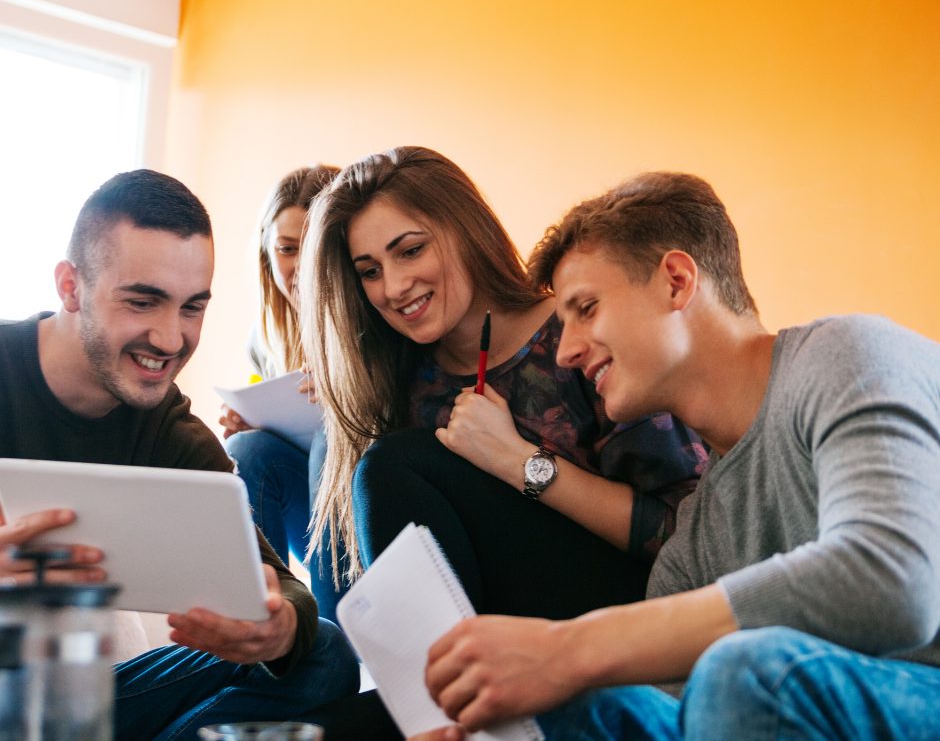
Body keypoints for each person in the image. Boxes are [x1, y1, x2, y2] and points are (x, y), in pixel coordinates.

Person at [411, 171, 940, 740]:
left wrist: (569, 647)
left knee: (741, 672)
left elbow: (896, 583)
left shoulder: (846, 357)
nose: (564, 353)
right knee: (569, 712)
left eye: (585, 308)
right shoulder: (695, 542)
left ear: (676, 281)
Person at [0, 169, 359, 740]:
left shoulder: (165, 425)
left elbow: (272, 578)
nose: (170, 340)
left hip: (90, 702)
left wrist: (279, 626)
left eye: (192, 307)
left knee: (323, 651)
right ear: (70, 287)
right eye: (143, 302)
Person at [300, 146, 707, 621]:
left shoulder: (580, 335)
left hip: (628, 616)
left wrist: (521, 463)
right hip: (491, 637)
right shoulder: (398, 380)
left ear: (466, 231)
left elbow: (689, 534)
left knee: (390, 464)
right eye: (370, 272)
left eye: (411, 251)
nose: (393, 287)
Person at [219, 164, 347, 622]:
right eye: (288, 249)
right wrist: (251, 422)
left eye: (316, 248)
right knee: (245, 449)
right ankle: (266, 621)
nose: (302, 266)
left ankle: (337, 638)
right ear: (267, 255)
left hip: (373, 521)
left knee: (335, 438)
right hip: (311, 516)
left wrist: (347, 396)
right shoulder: (266, 338)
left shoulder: (381, 317)